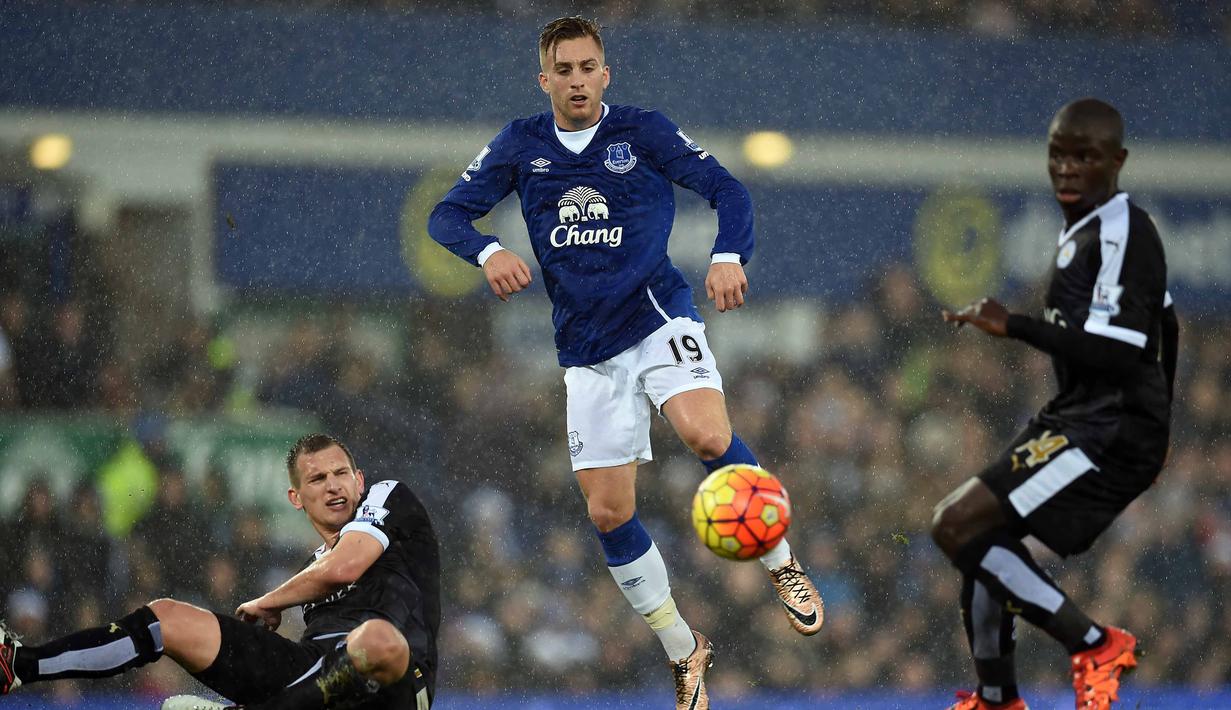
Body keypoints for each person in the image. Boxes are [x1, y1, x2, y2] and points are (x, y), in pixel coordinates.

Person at [428, 15, 822, 709]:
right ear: (544, 80)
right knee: (609, 513)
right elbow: (445, 216)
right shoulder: (521, 144)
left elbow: (727, 190)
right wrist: (487, 252)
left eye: (588, 68)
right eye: (564, 70)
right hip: (586, 349)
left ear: (605, 74)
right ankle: (683, 649)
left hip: (657, 317)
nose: (577, 81)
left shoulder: (642, 131)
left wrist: (728, 255)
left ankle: (782, 565)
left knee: (706, 434)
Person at [933, 98, 1179, 710]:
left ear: (1117, 161)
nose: (1067, 168)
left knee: (954, 524)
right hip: (1085, 414)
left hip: (1109, 426)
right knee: (981, 537)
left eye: (1084, 156)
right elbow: (1165, 320)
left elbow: (1119, 351)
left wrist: (1014, 325)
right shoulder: (1087, 229)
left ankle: (1095, 645)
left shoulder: (1124, 231)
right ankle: (997, 698)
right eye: (1058, 155)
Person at [0, 433, 440, 710]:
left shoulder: (389, 497)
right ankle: (20, 664)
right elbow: (329, 571)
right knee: (168, 616)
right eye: (317, 479)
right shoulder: (310, 568)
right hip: (316, 682)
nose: (333, 485)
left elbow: (345, 567)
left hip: (398, 688)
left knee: (376, 639)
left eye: (341, 473)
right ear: (295, 497)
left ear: (359, 480)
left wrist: (267, 602)